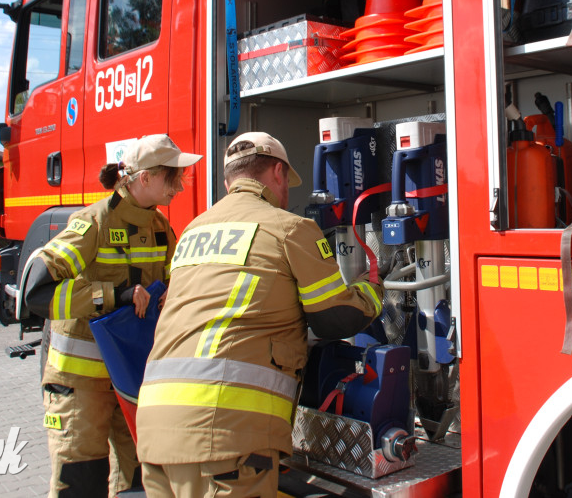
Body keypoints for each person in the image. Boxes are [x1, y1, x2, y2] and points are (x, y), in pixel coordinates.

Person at [136, 132, 384, 498]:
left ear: (228, 183)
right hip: (224, 436)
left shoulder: (192, 230)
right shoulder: (289, 228)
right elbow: (335, 318)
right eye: (286, 183)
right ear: (278, 173)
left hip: (155, 431)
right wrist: (373, 290)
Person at [24, 134, 202, 498]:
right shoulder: (93, 222)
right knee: (81, 482)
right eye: (174, 177)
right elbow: (36, 291)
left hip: (130, 375)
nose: (181, 186)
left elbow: (173, 279)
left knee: (140, 480)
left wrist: (173, 291)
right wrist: (111, 296)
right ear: (145, 178)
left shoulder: (159, 228)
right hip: (80, 383)